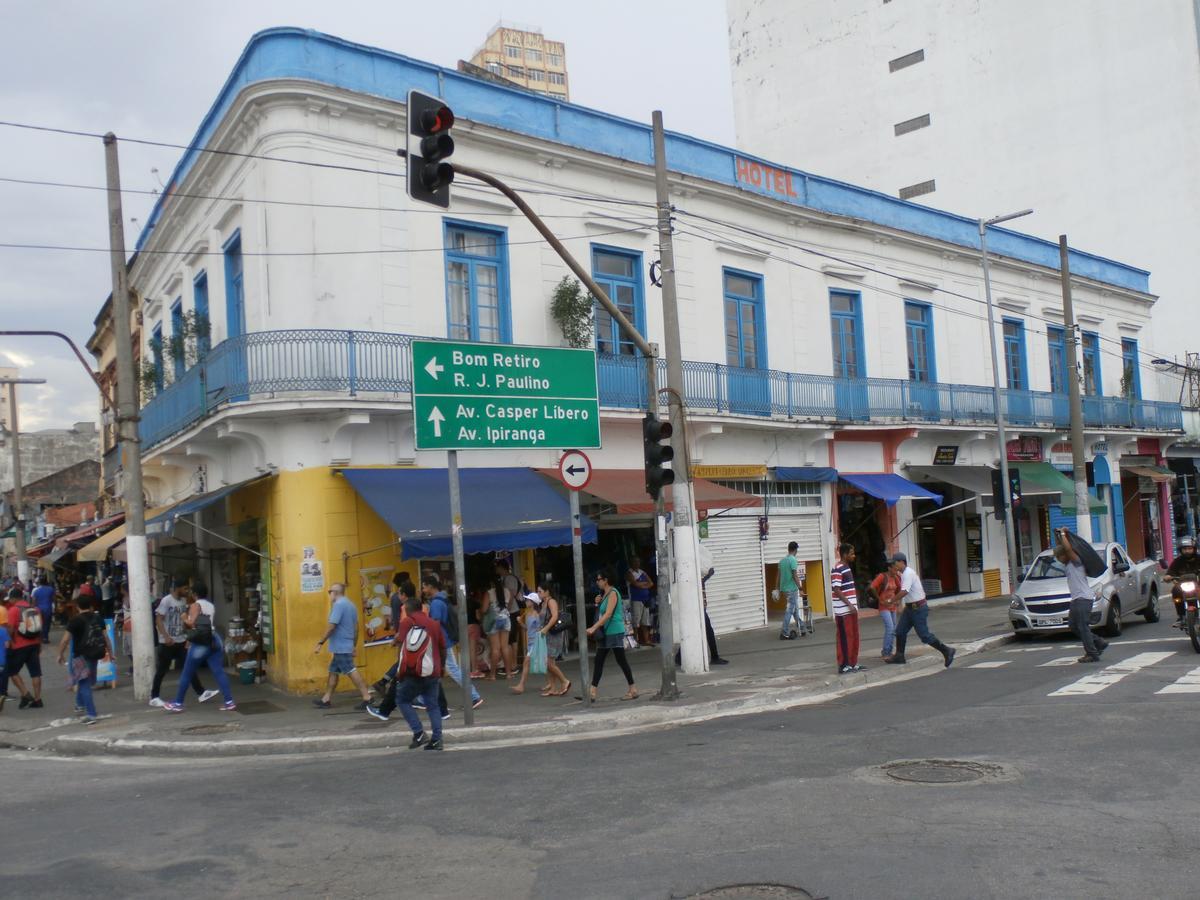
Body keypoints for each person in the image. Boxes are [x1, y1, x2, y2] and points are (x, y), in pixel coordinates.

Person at [161, 582, 237, 712]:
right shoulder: (211, 605)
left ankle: (178, 703)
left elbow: (192, 624)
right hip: (214, 639)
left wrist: (184, 617)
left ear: (194, 594)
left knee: (186, 672)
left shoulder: (196, 605)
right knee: (218, 671)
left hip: (201, 643)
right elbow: (206, 625)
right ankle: (229, 701)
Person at [150, 579, 216, 707]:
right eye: (185, 589)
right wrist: (165, 636)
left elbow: (185, 621)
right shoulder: (166, 600)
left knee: (189, 666)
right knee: (162, 670)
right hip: (167, 642)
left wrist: (187, 638)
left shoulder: (184, 601)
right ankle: (154, 696)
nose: (187, 591)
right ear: (177, 588)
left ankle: (201, 692)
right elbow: (158, 619)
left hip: (181, 640)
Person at [394, 594, 446, 751]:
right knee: (433, 706)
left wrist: (399, 670)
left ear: (408, 609)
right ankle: (437, 740)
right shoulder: (434, 624)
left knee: (402, 700)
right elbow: (443, 648)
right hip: (432, 671)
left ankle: (419, 733)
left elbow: (402, 646)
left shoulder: (407, 622)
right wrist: (441, 667)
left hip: (413, 671)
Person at [424, 574, 483, 711]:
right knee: (434, 670)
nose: (423, 590)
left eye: (424, 587)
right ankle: (425, 699)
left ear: (430, 587)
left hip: (442, 641)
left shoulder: (437, 603)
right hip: (445, 640)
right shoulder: (442, 599)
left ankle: (474, 696)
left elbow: (436, 624)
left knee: (452, 670)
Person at [886, 553, 957, 667]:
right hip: (910, 608)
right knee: (900, 631)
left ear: (902, 562)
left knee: (924, 635)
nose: (894, 565)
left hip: (918, 608)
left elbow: (905, 591)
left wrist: (891, 600)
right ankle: (899, 655)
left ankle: (947, 651)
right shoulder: (903, 574)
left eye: (895, 563)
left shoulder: (908, 573)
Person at [312, 582, 372, 709]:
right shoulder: (351, 605)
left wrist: (320, 642)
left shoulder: (338, 605)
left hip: (341, 646)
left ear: (334, 592)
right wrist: (353, 645)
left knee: (351, 670)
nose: (329, 595)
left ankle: (367, 697)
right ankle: (326, 698)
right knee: (333, 671)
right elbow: (356, 628)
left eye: (329, 592)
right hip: (345, 644)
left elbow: (331, 626)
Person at [57, 593, 113, 725]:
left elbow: (65, 640)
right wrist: (110, 652)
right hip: (96, 653)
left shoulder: (75, 620)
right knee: (86, 681)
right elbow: (106, 637)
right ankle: (79, 704)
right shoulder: (98, 618)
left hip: (81, 656)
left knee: (84, 684)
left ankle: (91, 714)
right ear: (91, 606)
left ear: (77, 606)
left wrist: (60, 654)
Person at [1055, 529, 1109, 663]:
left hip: (1083, 599)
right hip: (1076, 599)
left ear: (1065, 555)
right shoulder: (1068, 564)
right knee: (1073, 625)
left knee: (1082, 627)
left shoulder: (1076, 561)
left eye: (1059, 557)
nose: (1058, 560)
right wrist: (1059, 536)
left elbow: (1067, 549)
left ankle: (1092, 653)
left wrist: (1063, 534)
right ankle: (1099, 642)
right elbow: (1062, 548)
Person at [586, 569, 637, 701]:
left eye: (598, 579)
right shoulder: (605, 594)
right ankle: (592, 692)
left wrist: (594, 627)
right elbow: (602, 613)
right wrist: (598, 602)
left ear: (605, 580)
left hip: (614, 631)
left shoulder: (613, 593)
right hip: (606, 631)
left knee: (620, 660)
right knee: (599, 660)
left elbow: (608, 614)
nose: (597, 582)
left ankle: (632, 689)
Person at [5, 586, 45, 708]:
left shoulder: (14, 610)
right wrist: (40, 644)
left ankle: (26, 694)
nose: (9, 602)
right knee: (35, 673)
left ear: (14, 598)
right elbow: (39, 628)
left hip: (19, 646)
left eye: (10, 599)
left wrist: (8, 642)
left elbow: (10, 629)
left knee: (12, 671)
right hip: (34, 644)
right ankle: (38, 699)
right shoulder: (35, 609)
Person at [830, 543, 863, 674]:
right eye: (851, 553)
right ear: (844, 554)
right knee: (844, 637)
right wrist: (849, 605)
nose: (853, 556)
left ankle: (853, 663)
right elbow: (836, 589)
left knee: (854, 636)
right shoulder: (837, 568)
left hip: (851, 610)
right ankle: (843, 665)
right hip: (843, 611)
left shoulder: (846, 567)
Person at [536, 584, 571, 695]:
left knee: (549, 663)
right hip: (546, 635)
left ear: (547, 592)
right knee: (549, 663)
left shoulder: (551, 602)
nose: (538, 593)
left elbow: (555, 616)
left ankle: (564, 681)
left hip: (552, 635)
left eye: (540, 591)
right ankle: (552, 688)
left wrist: (545, 629)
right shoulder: (543, 603)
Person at [483, 581, 516, 680]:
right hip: (505, 619)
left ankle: (492, 675)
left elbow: (484, 609)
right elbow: (509, 607)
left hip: (494, 620)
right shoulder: (508, 592)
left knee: (495, 649)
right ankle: (509, 673)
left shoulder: (489, 593)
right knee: (505, 647)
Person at [869, 562, 902, 661]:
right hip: (883, 606)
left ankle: (889, 651)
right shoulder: (882, 576)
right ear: (889, 568)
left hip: (893, 606)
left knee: (893, 629)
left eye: (897, 569)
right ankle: (886, 652)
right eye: (895, 569)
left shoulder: (896, 578)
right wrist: (879, 599)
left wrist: (897, 600)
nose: (896, 571)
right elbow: (872, 587)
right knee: (890, 628)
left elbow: (900, 589)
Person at [1164, 535, 1200, 624]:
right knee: (1175, 591)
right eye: (1184, 549)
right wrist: (1167, 577)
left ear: (1194, 548)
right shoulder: (1177, 561)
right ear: (1181, 550)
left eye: (1189, 548)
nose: (1187, 551)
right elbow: (1170, 572)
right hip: (1182, 586)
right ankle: (1181, 616)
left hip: (1198, 584)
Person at [778, 541, 805, 640]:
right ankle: (784, 632)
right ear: (795, 549)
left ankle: (802, 627)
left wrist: (777, 588)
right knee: (790, 610)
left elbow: (779, 575)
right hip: (791, 590)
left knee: (794, 610)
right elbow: (794, 575)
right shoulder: (793, 560)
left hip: (784, 590)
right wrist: (800, 589)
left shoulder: (782, 561)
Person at [626, 557, 656, 646]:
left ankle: (646, 640)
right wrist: (644, 584)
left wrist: (641, 585)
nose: (637, 563)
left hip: (645, 599)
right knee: (636, 621)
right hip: (636, 599)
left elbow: (651, 583)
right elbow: (635, 584)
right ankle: (635, 641)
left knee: (645, 621)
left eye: (638, 561)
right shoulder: (629, 573)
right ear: (632, 563)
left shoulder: (642, 572)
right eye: (635, 561)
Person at [32, 576, 56, 644]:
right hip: (48, 609)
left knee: (39, 624)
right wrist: (55, 607)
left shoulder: (36, 591)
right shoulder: (51, 589)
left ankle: (40, 637)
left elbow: (34, 601)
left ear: (39, 582)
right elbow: (54, 599)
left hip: (39, 609)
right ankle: (45, 638)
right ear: (46, 581)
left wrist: (34, 609)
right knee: (47, 624)